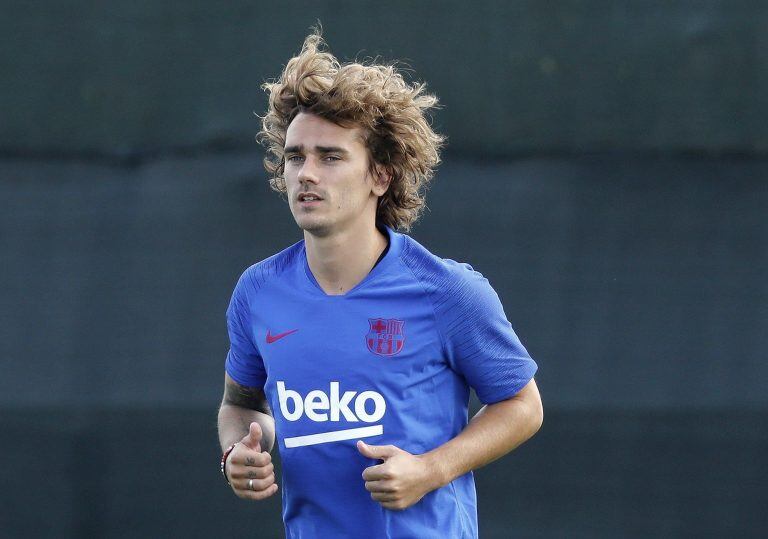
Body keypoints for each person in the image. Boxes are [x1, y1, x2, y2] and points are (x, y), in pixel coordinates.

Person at [217, 30, 543, 539]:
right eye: (295, 156)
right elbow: (241, 404)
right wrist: (238, 453)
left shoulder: (448, 292)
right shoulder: (257, 293)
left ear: (381, 176)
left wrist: (431, 469)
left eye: (330, 157)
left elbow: (523, 406)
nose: (306, 174)